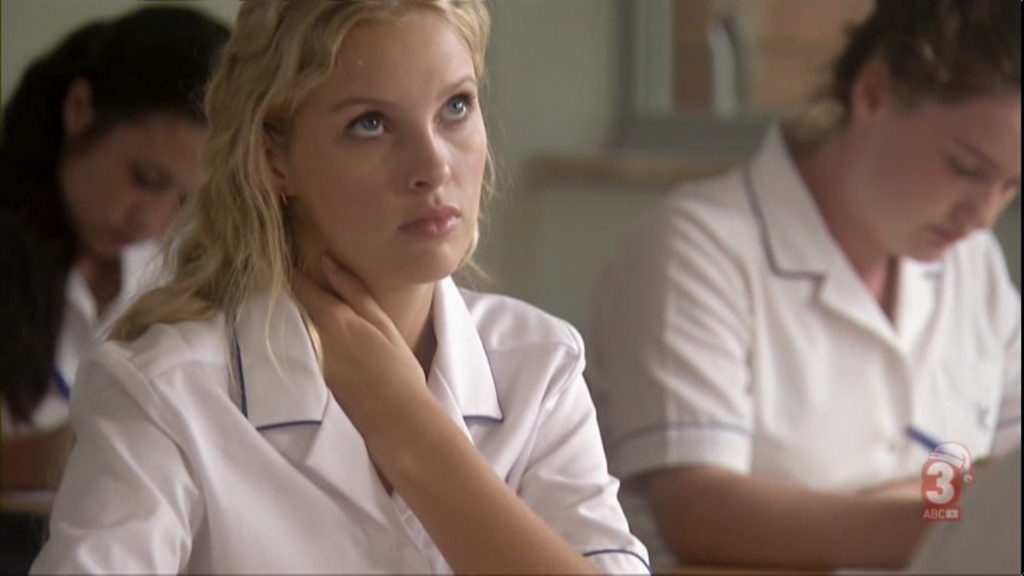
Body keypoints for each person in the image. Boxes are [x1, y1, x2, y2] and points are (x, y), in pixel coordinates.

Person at [31, 1, 649, 573]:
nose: (434, 166)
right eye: (370, 124)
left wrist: (410, 430)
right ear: (275, 156)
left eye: (456, 107)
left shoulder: (540, 366)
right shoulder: (165, 389)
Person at [585, 0, 1020, 570]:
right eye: (965, 167)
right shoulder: (698, 248)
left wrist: (927, 512)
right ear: (874, 94)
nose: (983, 216)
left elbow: (1008, 473)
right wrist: (956, 524)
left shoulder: (973, 263)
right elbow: (701, 513)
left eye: (1011, 185)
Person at [0, 6, 228, 573]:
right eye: (145, 179)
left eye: (184, 200)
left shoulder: (179, 272)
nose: (152, 217)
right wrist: (71, 450)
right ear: (80, 110)